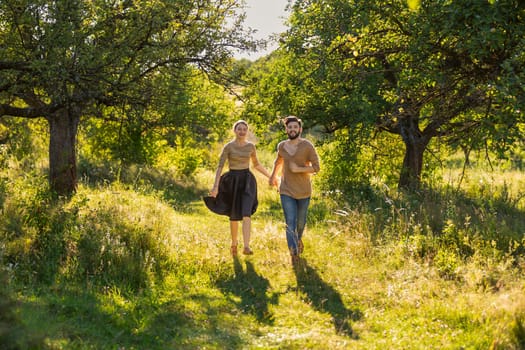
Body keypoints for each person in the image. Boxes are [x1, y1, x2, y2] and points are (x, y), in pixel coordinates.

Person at [204, 120, 271, 256]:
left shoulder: (251, 147)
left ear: (247, 132)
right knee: (234, 216)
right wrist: (216, 186)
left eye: (244, 129)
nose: (242, 131)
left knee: (246, 213)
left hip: (247, 181)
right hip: (232, 181)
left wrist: (271, 176)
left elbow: (256, 165)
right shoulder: (228, 147)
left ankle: (246, 246)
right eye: (239, 129)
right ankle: (234, 244)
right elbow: (220, 167)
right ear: (235, 131)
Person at [269, 116, 320, 263]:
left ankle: (298, 240)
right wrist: (273, 176)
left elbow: (316, 168)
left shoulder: (307, 146)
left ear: (300, 129)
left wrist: (298, 169)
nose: (292, 130)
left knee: (300, 223)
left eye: (295, 127)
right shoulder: (282, 146)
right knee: (290, 221)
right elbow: (278, 162)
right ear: (286, 129)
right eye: (289, 127)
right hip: (286, 190)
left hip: (304, 191)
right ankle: (293, 253)